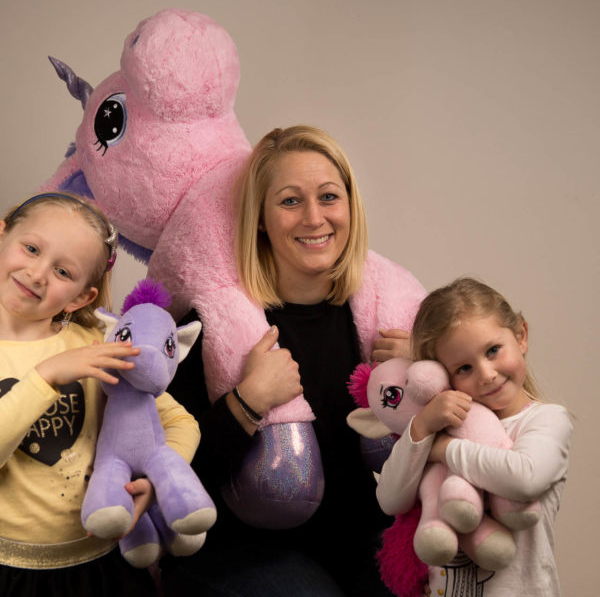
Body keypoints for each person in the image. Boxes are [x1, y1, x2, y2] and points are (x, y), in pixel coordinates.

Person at [161, 125, 426, 596]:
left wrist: (424, 372)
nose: (314, 218)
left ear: (350, 206)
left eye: (328, 197)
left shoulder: (385, 319)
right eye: (289, 201)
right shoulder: (214, 325)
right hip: (239, 547)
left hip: (354, 537)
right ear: (261, 219)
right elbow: (165, 471)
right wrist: (245, 403)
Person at [0, 192, 200, 597]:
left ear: (81, 297)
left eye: (62, 271)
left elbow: (181, 422)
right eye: (32, 249)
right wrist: (46, 375)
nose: (37, 274)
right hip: (11, 570)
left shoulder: (97, 346)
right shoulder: (69, 360)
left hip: (102, 565)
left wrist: (158, 478)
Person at [376, 277, 573, 596]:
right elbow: (389, 499)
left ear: (521, 335)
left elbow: (525, 478)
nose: (486, 374)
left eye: (493, 350)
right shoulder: (436, 430)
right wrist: (421, 428)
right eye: (464, 368)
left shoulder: (547, 419)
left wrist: (445, 449)